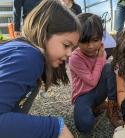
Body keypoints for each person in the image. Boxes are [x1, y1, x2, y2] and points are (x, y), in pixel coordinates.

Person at [0, 0, 81, 137]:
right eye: (66, 45)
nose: (70, 54)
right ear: (45, 32)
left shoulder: (21, 50)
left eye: (73, 48)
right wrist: (54, 128)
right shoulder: (29, 58)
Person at [69, 13, 123, 134]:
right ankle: (95, 107)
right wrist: (100, 58)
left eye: (95, 40)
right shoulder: (75, 58)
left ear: (101, 37)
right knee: (85, 126)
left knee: (109, 67)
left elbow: (106, 75)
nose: (91, 46)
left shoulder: (102, 51)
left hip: (99, 92)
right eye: (84, 41)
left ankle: (112, 106)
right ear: (77, 39)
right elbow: (92, 81)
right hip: (83, 95)